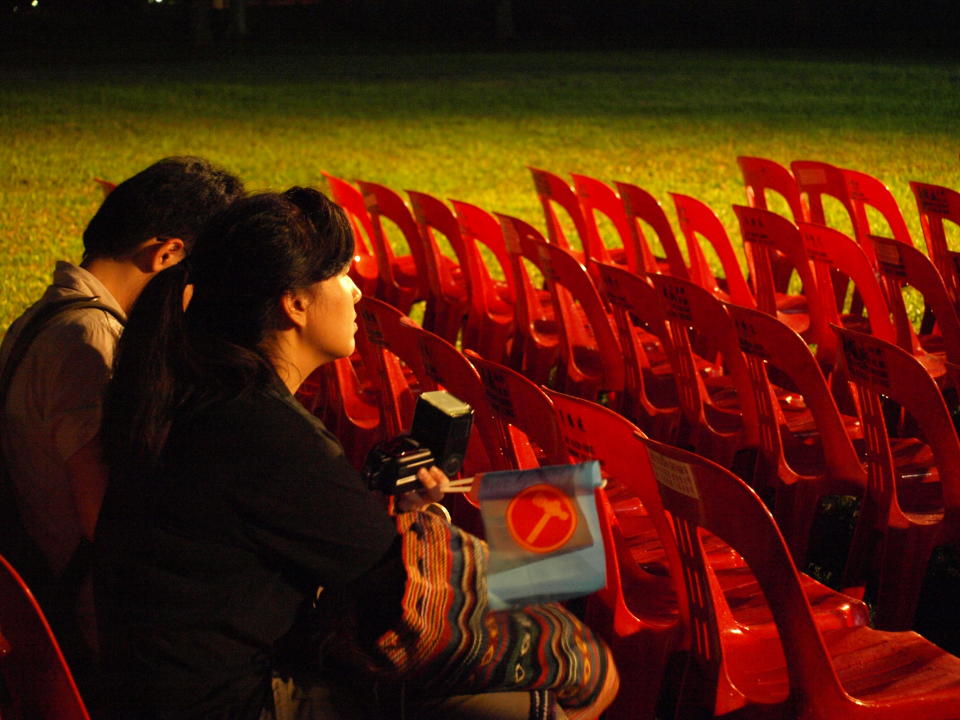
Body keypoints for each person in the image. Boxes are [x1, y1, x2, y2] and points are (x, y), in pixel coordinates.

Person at [95, 188, 617, 720]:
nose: (358, 293)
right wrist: (569, 629)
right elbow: (415, 607)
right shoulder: (266, 433)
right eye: (343, 275)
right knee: (568, 683)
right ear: (295, 303)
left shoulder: (206, 393)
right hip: (228, 702)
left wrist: (416, 520)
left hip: (168, 683)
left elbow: (350, 550)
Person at [0, 156, 244, 667]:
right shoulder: (88, 341)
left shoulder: (47, 313)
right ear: (168, 256)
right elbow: (105, 523)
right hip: (78, 618)